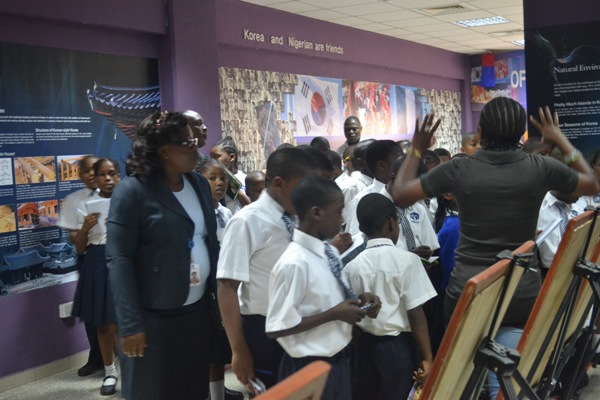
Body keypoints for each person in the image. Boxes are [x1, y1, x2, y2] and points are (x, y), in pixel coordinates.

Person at [391, 99, 599, 398]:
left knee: (465, 384)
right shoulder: (539, 167)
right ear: (520, 134)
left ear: (481, 131)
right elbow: (592, 184)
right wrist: (559, 138)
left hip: (470, 292)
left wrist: (416, 148)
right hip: (520, 291)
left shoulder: (459, 168)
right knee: (505, 384)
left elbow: (400, 194)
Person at [107, 111, 219, 400]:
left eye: (195, 141)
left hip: (196, 312)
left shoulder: (198, 184)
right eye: (187, 143)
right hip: (152, 317)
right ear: (164, 151)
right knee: (153, 391)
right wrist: (130, 324)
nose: (197, 149)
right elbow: (119, 260)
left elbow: (209, 241)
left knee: (192, 389)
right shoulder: (132, 191)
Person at [265, 176, 381, 400]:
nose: (342, 219)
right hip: (306, 367)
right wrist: (334, 314)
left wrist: (360, 300)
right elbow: (275, 328)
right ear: (316, 213)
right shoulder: (294, 263)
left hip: (338, 361)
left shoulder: (328, 252)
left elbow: (327, 298)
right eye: (338, 211)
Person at [217, 148, 316, 392]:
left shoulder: (296, 218)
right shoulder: (247, 221)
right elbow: (227, 287)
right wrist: (238, 349)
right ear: (279, 183)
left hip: (301, 325)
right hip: (265, 331)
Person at [343, 193, 436, 400]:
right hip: (398, 348)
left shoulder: (351, 267)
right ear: (392, 224)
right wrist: (428, 357)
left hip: (364, 349)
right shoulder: (408, 261)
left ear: (361, 228)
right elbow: (416, 312)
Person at [195, 157, 244, 400]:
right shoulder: (195, 214)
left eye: (223, 178)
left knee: (217, 348)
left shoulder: (226, 212)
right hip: (203, 288)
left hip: (223, 284)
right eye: (212, 178)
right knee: (202, 348)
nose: (219, 183)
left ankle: (217, 395)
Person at [72, 157, 121, 396]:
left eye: (112, 174)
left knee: (122, 320)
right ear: (95, 177)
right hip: (96, 260)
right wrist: (85, 228)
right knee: (103, 321)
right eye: (102, 174)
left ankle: (129, 368)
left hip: (122, 261)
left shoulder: (127, 201)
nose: (107, 179)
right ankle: (109, 371)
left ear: (119, 176)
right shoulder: (86, 205)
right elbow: (80, 249)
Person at [57, 154, 104, 377]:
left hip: (114, 258)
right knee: (91, 313)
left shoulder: (117, 195)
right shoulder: (73, 201)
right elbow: (75, 242)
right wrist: (85, 228)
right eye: (87, 170)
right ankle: (96, 358)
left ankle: (119, 361)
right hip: (88, 258)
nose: (92, 174)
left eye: (96, 169)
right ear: (80, 175)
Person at [345, 140, 402, 235]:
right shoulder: (361, 200)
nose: (405, 165)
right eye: (399, 161)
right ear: (382, 166)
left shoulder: (410, 197)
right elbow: (356, 238)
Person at [210, 136, 251, 213]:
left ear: (232, 157)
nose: (213, 161)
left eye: (217, 157)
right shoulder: (214, 181)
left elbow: (251, 206)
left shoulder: (245, 179)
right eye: (211, 158)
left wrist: (234, 187)